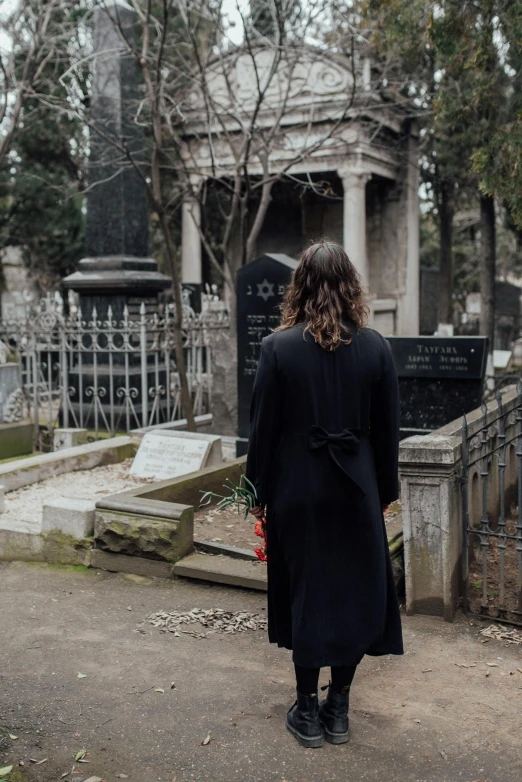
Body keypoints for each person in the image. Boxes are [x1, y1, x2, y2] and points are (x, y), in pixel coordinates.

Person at [245, 240, 403, 748]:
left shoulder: (277, 348)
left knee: (306, 591)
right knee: (354, 592)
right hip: (356, 488)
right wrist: (384, 492)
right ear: (350, 285)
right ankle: (340, 708)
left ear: (301, 286)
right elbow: (387, 432)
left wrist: (258, 494)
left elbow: (263, 432)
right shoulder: (376, 347)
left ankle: (307, 710)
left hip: (298, 487)